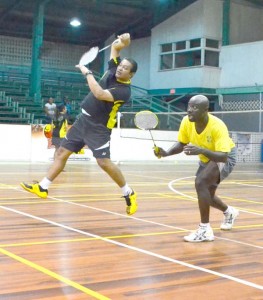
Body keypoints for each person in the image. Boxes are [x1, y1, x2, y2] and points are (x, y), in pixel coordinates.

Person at [21, 33, 138, 215]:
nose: (120, 69)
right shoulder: (114, 68)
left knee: (103, 163)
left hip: (98, 128)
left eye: (125, 69)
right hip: (82, 120)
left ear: (131, 74)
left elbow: (99, 93)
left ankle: (128, 192)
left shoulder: (124, 91)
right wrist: (124, 41)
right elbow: (116, 47)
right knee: (61, 152)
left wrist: (88, 72)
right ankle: (43, 187)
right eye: (121, 65)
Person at [154, 95, 239, 242]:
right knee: (206, 194)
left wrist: (201, 150)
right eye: (189, 106)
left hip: (224, 156)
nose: (189, 110)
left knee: (201, 183)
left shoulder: (217, 126)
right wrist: (166, 153)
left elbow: (223, 156)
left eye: (194, 107)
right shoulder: (186, 121)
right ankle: (229, 212)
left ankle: (205, 230)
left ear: (205, 110)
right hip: (207, 157)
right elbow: (181, 143)